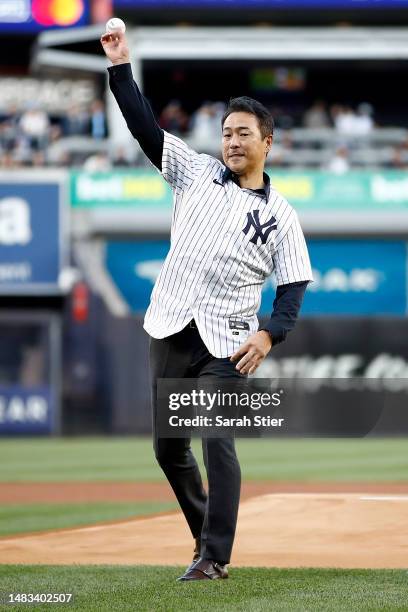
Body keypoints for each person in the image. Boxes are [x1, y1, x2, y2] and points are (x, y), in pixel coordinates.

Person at [101, 30, 313, 582]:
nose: (232, 141)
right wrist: (121, 67)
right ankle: (204, 538)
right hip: (171, 326)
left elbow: (293, 285)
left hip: (229, 340)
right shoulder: (194, 172)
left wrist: (270, 335)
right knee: (169, 450)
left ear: (269, 142)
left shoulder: (282, 216)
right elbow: (146, 129)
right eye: (226, 133)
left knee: (218, 437)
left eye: (244, 133)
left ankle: (215, 557)